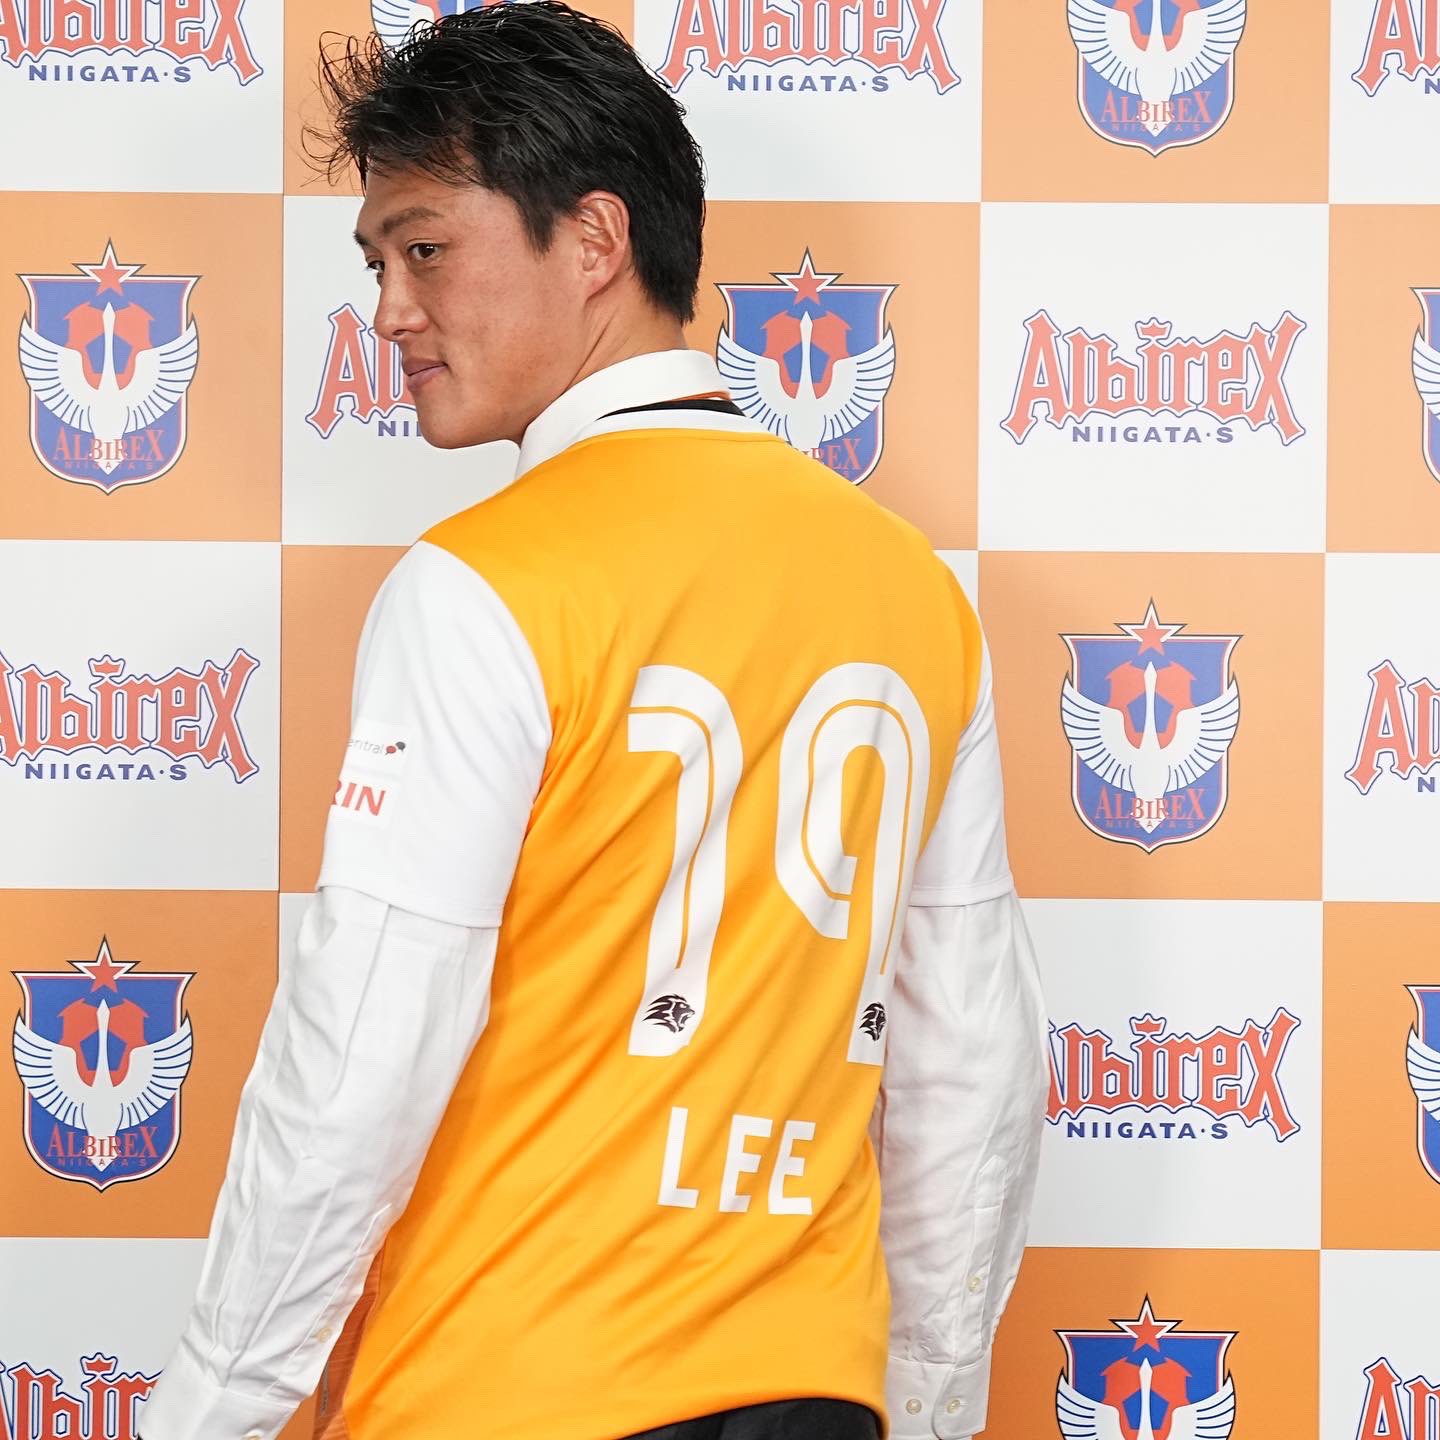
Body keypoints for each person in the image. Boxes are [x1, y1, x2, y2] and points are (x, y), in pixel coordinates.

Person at [136, 7, 1047, 1440]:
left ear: (596, 239)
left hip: (509, 1392)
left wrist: (210, 1414)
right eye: (376, 264)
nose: (389, 312)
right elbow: (971, 1058)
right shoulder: (912, 589)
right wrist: (926, 1406)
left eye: (425, 248)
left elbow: (363, 1045)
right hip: (815, 1391)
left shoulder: (483, 583)